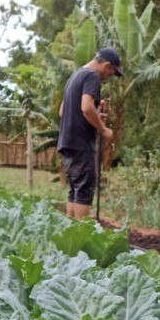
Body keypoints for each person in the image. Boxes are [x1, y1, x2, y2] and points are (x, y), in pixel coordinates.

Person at [57, 48, 123, 219]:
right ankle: (82, 239)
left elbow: (63, 111)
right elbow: (86, 107)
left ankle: (71, 235)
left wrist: (95, 116)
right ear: (107, 65)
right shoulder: (92, 76)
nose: (109, 76)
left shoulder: (75, 76)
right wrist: (103, 128)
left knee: (75, 190)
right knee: (84, 191)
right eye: (111, 72)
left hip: (67, 141)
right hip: (81, 143)